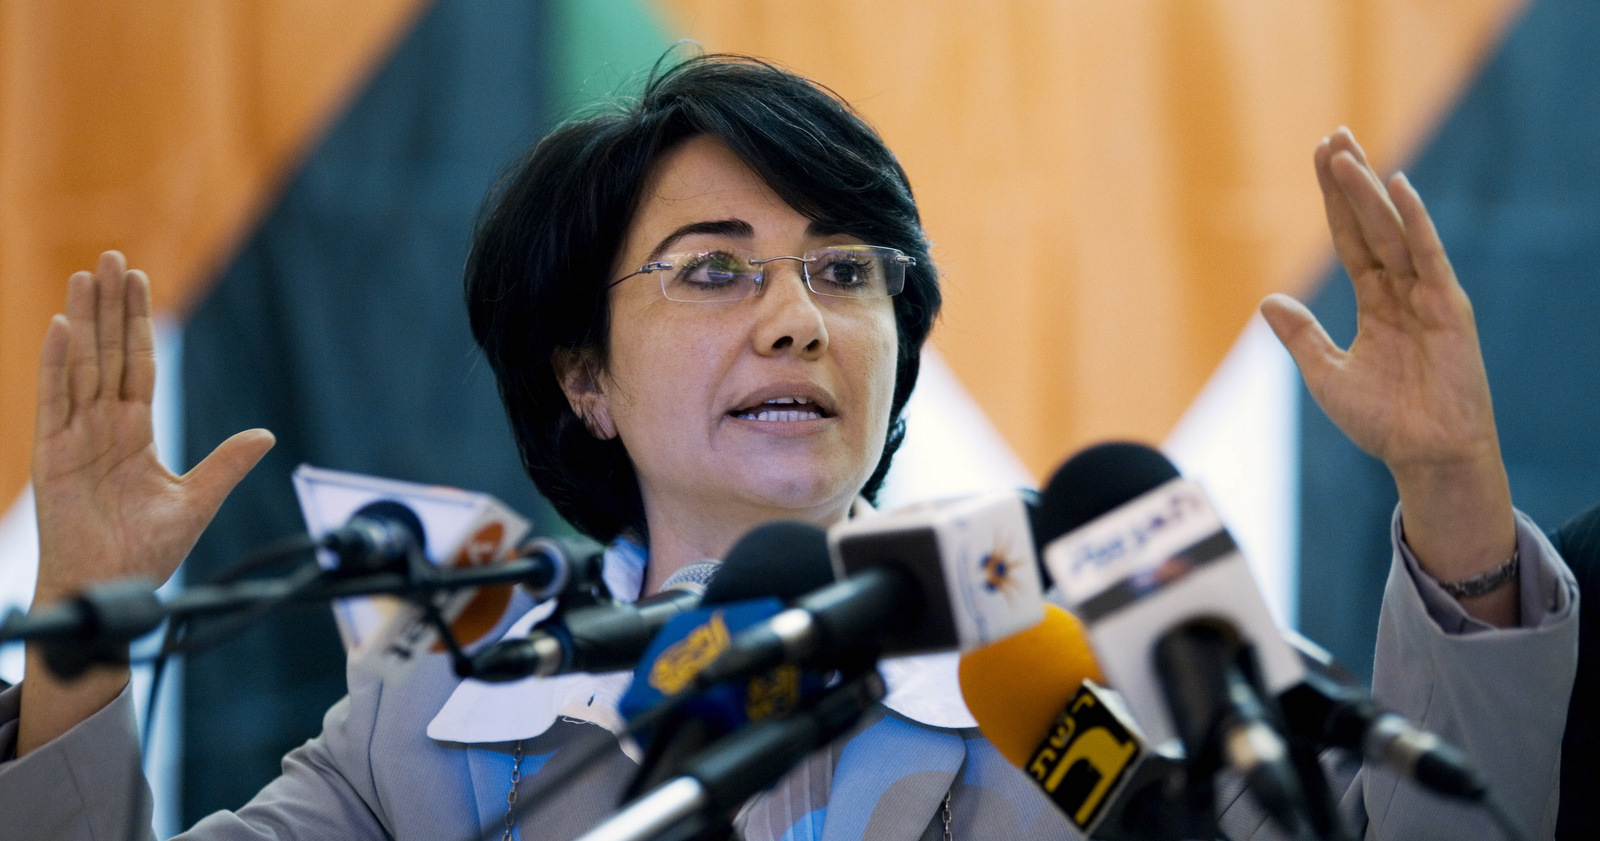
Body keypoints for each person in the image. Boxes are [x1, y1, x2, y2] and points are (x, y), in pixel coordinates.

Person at [0, 54, 1576, 841]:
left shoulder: (1091, 595)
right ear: (587, 380)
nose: (797, 318)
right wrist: (82, 612)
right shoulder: (438, 710)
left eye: (844, 271)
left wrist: (1450, 494)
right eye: (715, 269)